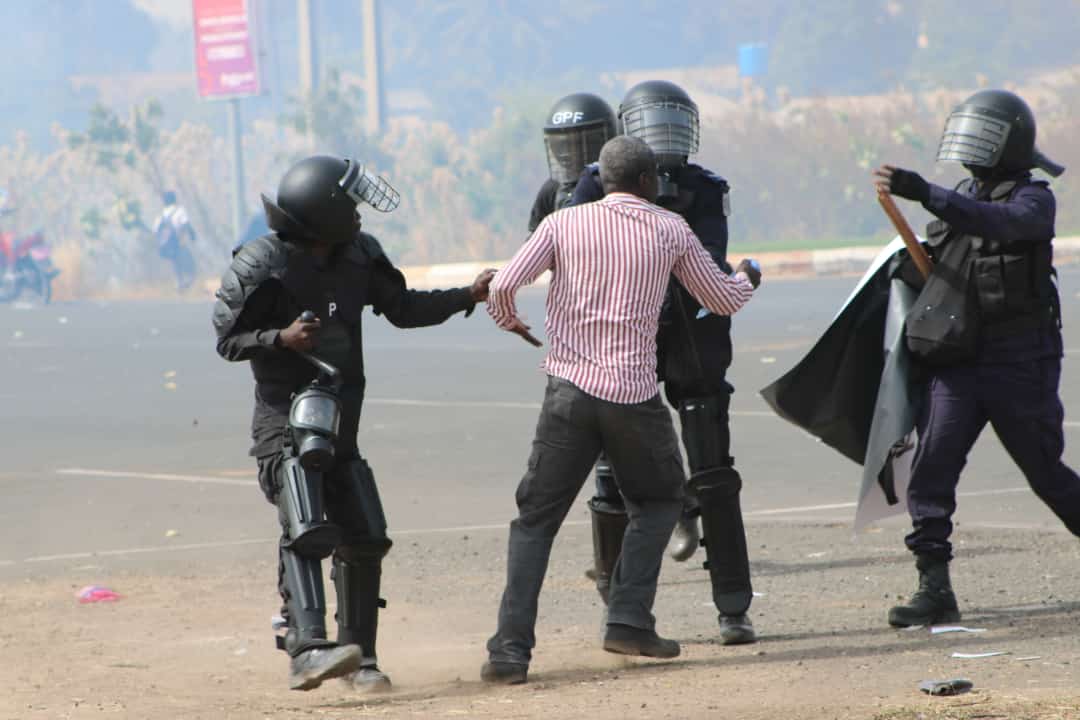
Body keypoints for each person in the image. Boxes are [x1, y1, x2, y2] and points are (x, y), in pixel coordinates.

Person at [481, 135, 760, 685]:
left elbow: (504, 284)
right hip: (632, 394)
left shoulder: (563, 224)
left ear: (603, 181)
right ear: (650, 182)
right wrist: (748, 277)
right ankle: (629, 620)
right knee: (658, 504)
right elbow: (720, 300)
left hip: (567, 391)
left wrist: (509, 319)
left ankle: (509, 653)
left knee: (535, 521)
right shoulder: (669, 228)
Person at [212, 155, 494, 692]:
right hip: (282, 422)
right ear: (325, 211)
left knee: (365, 536)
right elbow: (227, 340)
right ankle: (307, 650)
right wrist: (281, 339)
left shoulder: (360, 256)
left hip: (341, 419)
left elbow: (404, 307)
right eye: (352, 203)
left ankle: (361, 658)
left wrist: (467, 295)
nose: (362, 213)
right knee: (307, 525)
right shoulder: (261, 263)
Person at [874, 89, 1080, 628]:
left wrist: (927, 193)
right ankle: (934, 589)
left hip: (1020, 364)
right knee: (929, 475)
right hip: (959, 363)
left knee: (1047, 474)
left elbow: (994, 223)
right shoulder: (962, 195)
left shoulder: (1034, 200)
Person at [569, 80, 757, 645]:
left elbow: (708, 261)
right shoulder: (591, 185)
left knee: (714, 472)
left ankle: (733, 607)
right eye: (654, 121)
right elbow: (587, 251)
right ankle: (615, 602)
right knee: (608, 472)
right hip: (625, 339)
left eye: (676, 120)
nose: (666, 131)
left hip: (691, 340)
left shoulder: (705, 188)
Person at [527, 92, 618, 233]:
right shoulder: (552, 189)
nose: (572, 153)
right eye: (565, 145)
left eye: (581, 143)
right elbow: (533, 239)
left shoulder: (617, 184)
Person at [153, 190, 197, 290]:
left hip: (165, 245)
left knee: (176, 263)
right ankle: (187, 281)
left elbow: (155, 230)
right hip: (178, 242)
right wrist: (192, 235)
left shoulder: (162, 214)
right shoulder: (179, 210)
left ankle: (179, 282)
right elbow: (186, 223)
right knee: (189, 263)